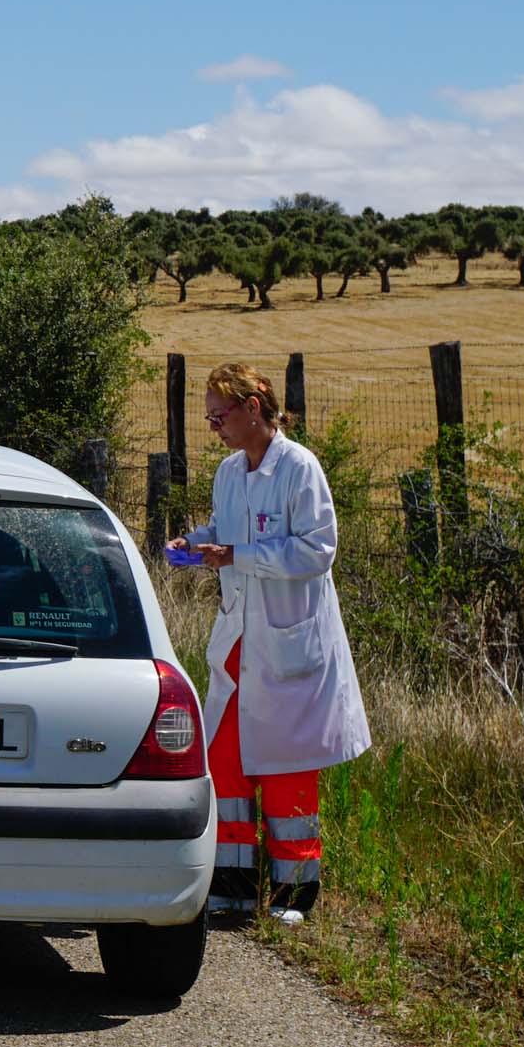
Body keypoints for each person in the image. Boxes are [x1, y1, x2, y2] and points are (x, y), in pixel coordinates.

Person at [167, 362, 370, 925]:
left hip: (289, 645)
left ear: (252, 408)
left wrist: (238, 556)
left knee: (288, 773)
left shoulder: (299, 467)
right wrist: (198, 542)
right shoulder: (230, 472)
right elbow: (225, 531)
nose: (213, 426)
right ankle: (232, 889)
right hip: (238, 643)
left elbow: (317, 550)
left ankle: (295, 897)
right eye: (207, 416)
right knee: (226, 766)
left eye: (219, 415)